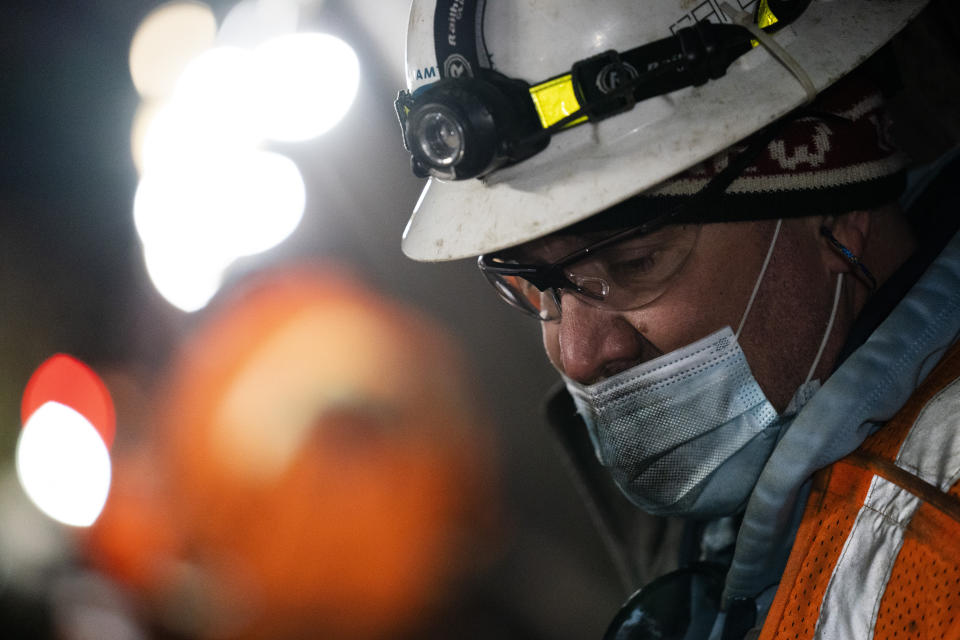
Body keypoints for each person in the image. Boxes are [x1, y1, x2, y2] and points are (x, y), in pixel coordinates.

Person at [394, 0, 960, 638]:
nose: (577, 355)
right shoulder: (725, 519)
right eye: (535, 285)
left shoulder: (936, 546)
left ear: (832, 204)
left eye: (634, 263)